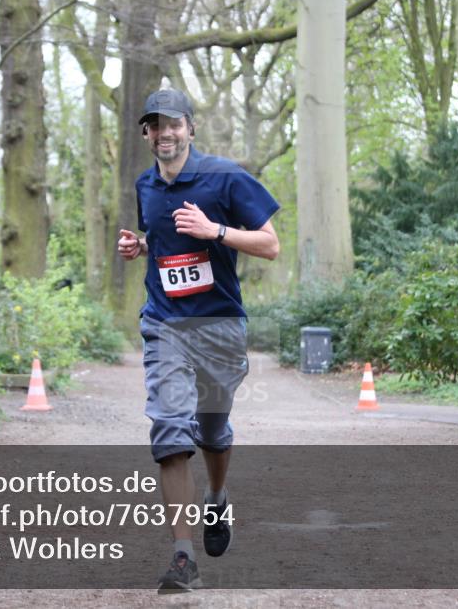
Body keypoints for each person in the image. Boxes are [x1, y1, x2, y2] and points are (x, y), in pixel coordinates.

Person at [117, 87, 280, 593]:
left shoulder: (225, 177)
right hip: (165, 323)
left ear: (190, 128)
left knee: (212, 430)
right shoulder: (146, 185)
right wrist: (141, 245)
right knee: (170, 427)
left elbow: (270, 244)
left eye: (174, 123)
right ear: (146, 134)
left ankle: (216, 497)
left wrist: (216, 231)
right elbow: (166, 243)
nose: (164, 133)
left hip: (219, 326)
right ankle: (183, 557)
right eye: (155, 125)